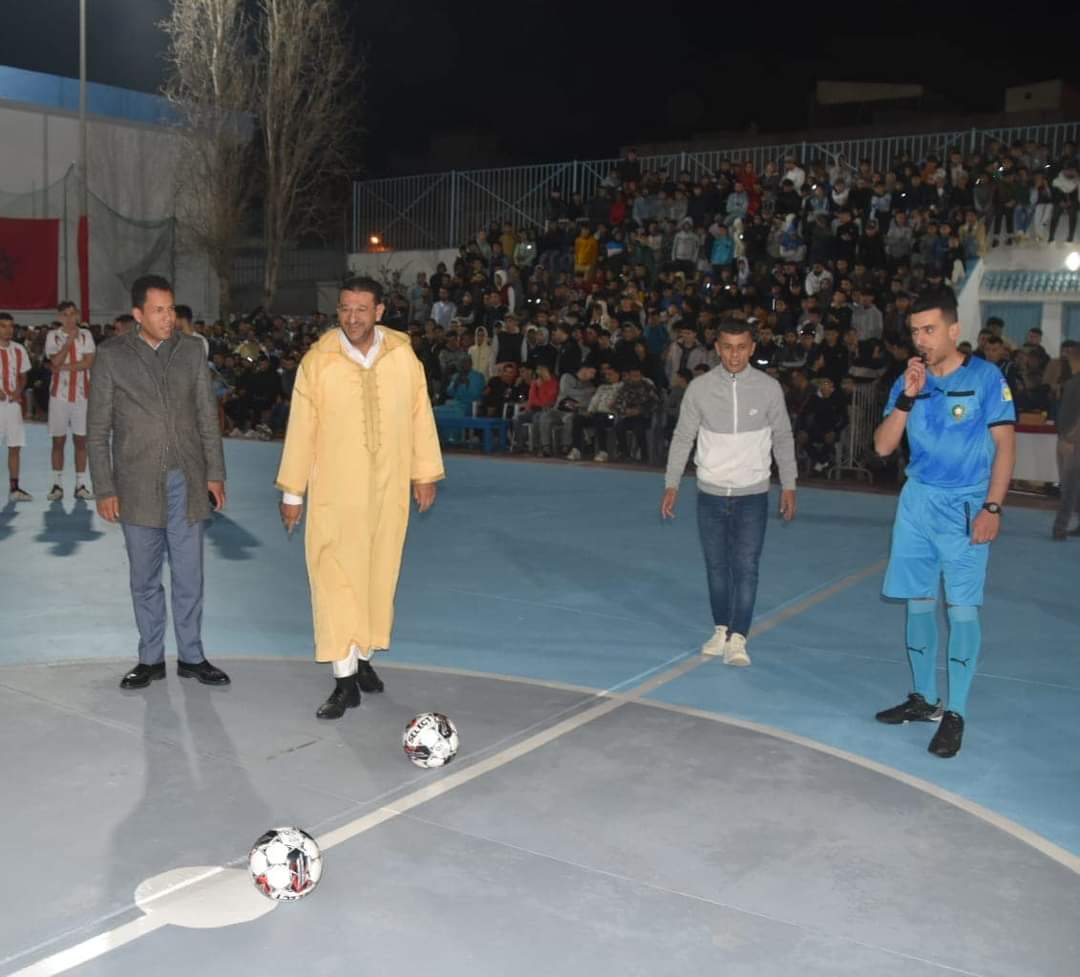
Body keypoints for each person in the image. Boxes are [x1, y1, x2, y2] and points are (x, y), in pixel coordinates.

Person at [276, 277, 444, 719]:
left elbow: (420, 413)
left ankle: (363, 656)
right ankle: (344, 680)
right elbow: (301, 429)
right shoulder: (318, 362)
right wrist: (294, 492)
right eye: (345, 309)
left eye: (361, 309)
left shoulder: (403, 357)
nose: (352, 318)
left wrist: (424, 472)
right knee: (334, 577)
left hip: (389, 489)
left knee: (378, 575)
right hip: (335, 492)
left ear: (379, 312)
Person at [872, 286, 1016, 758]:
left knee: (961, 609)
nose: (921, 339)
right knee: (918, 601)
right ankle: (924, 699)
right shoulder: (909, 380)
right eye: (915, 331)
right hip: (917, 503)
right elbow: (883, 447)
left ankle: (955, 712)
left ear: (954, 330)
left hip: (966, 505)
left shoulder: (986, 378)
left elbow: (1006, 446)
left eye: (929, 329)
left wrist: (992, 507)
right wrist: (907, 398)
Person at [87, 274, 230, 690]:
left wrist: (215, 474)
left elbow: (207, 416)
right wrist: (105, 488)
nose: (169, 318)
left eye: (171, 309)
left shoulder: (191, 350)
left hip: (187, 481)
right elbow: (97, 430)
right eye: (159, 311)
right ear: (138, 314)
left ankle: (192, 656)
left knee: (189, 575)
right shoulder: (112, 355)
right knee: (145, 578)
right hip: (135, 486)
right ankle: (150, 659)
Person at [662, 320, 797, 667]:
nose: (734, 354)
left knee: (746, 566)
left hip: (753, 495)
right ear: (717, 349)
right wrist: (672, 483)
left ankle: (739, 637)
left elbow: (783, 437)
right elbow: (683, 437)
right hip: (710, 494)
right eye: (727, 347)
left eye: (741, 347)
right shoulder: (699, 388)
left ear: (752, 348)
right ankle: (721, 629)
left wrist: (789, 484)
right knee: (717, 566)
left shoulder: (769, 388)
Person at [44, 300, 96, 500]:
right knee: (58, 440)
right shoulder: (53, 336)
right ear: (59, 317)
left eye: (73, 314)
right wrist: (68, 343)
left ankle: (80, 484)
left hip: (82, 396)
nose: (69, 318)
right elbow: (54, 360)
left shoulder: (86, 335)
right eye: (65, 314)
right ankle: (56, 484)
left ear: (78, 315)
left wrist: (62, 368)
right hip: (59, 396)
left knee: (81, 440)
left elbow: (88, 363)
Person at [0, 312, 32, 501]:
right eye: (3, 326)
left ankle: (15, 488)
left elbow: (23, 376)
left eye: (10, 326)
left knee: (15, 446)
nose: (8, 330)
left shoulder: (19, 349)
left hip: (13, 405)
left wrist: (18, 391)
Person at [1051, 342, 1080, 540]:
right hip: (1066, 437)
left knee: (1069, 486)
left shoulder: (1075, 381)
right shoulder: (1072, 380)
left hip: (1072, 439)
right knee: (1072, 485)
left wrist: (1071, 436)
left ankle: (1060, 526)